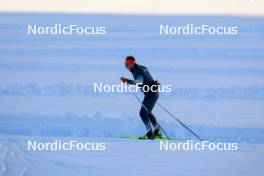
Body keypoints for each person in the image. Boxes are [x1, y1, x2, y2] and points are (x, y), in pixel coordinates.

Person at [120, 56, 162, 139]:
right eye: (125, 65)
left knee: (142, 113)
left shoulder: (137, 71)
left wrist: (127, 81)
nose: (126, 66)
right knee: (147, 112)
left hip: (151, 94)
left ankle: (150, 133)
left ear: (132, 63)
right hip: (153, 93)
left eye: (127, 64)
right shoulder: (141, 67)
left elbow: (139, 82)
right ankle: (157, 131)